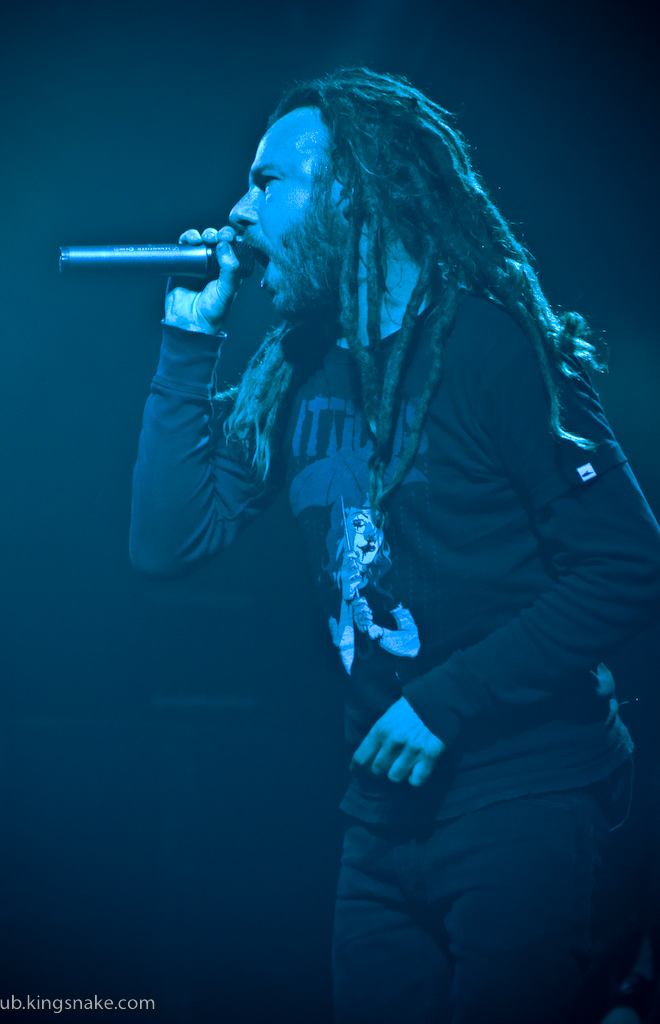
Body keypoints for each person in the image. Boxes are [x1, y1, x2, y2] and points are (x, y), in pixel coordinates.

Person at [129, 68, 660, 1023]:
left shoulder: (493, 352)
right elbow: (168, 544)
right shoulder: (290, 369)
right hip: (380, 819)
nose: (237, 212)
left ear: (352, 193)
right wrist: (186, 345)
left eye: (266, 183)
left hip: (525, 792)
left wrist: (446, 703)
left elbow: (628, 563)